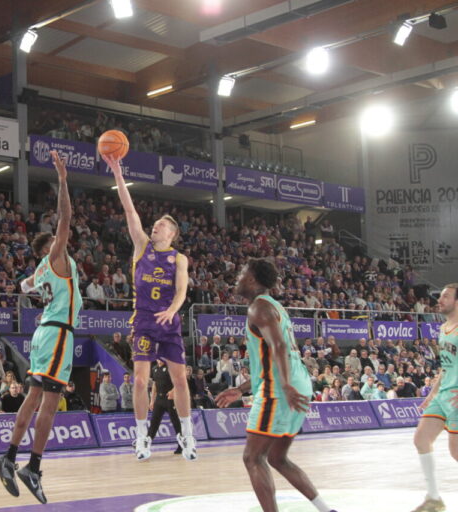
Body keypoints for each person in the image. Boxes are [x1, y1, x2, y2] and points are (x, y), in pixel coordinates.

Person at [0, 151, 83, 504]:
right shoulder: (57, 257)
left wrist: (28, 283)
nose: (65, 242)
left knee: (32, 398)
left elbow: (23, 285)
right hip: (58, 332)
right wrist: (62, 180)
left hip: (45, 332)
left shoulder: (40, 271)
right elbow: (67, 217)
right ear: (51, 245)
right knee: (49, 404)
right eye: (58, 240)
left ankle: (9, 457)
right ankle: (32, 466)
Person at [215, 259, 334, 512]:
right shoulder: (274, 306)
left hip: (281, 388)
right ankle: (326, 510)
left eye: (241, 273)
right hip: (296, 383)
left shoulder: (258, 308)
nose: (237, 277)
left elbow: (279, 346)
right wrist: (241, 389)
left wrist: (286, 386)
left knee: (252, 457)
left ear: (252, 279)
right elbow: (270, 358)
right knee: (277, 458)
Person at [104, 152, 196, 461]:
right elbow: (129, 209)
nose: (155, 226)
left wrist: (173, 309)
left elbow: (181, 290)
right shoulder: (141, 246)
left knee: (180, 380)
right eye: (155, 224)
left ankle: (187, 435)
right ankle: (142, 436)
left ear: (172, 234)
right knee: (141, 380)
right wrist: (118, 173)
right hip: (143, 320)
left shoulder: (179, 258)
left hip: (168, 322)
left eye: (161, 225)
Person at [411, 283, 458, 512]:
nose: (439, 300)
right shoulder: (444, 328)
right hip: (443, 395)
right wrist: (432, 394)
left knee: (456, 452)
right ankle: (433, 498)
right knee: (421, 438)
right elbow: (445, 367)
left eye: (445, 297)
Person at [147, 359, 183, 454]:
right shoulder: (154, 369)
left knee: (175, 422)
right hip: (159, 399)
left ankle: (181, 445)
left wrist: (173, 391)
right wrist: (152, 401)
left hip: (170, 399)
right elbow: (154, 385)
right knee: (154, 422)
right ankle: (146, 445)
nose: (160, 360)